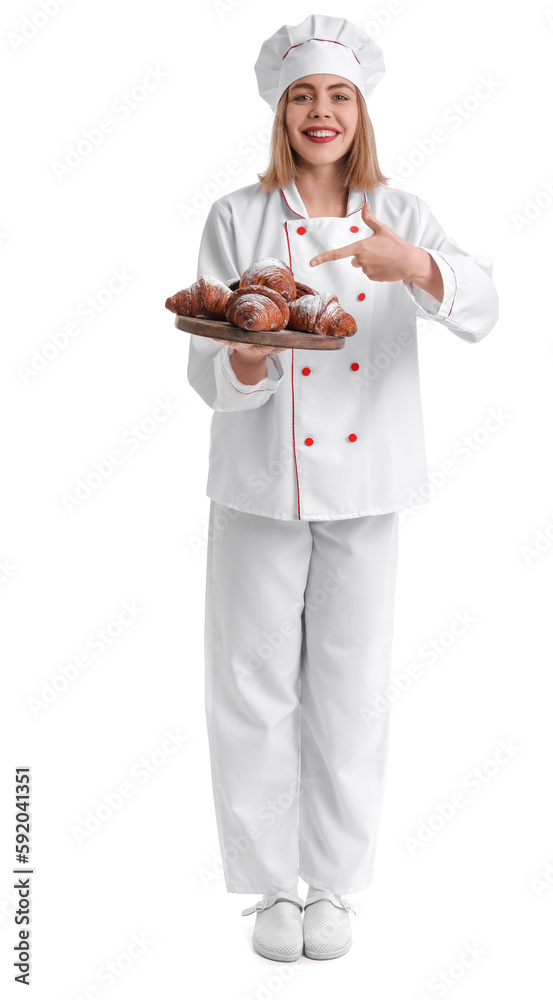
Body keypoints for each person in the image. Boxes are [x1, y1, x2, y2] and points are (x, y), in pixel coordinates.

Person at [186, 13, 499, 962]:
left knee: (350, 687)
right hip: (255, 486)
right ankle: (270, 890)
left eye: (338, 96)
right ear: (280, 114)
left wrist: (413, 265)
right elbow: (206, 368)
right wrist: (245, 364)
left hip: (367, 484)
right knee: (249, 686)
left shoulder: (400, 212)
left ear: (360, 111)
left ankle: (333, 891)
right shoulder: (236, 216)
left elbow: (483, 307)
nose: (320, 113)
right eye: (303, 98)